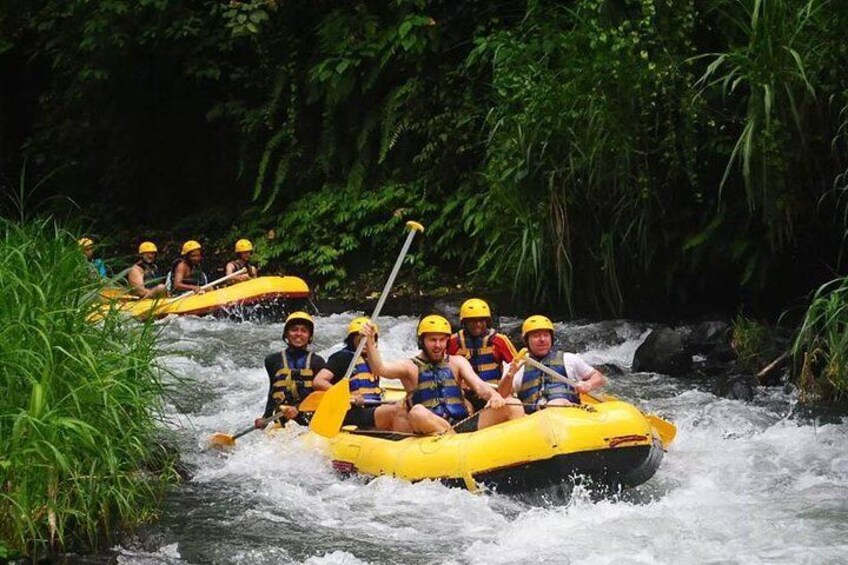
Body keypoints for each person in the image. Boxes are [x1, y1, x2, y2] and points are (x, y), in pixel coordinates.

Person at [362, 315, 523, 435]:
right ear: (422, 341)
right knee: (417, 411)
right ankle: (454, 443)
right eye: (432, 340)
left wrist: (493, 395)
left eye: (442, 340)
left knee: (512, 403)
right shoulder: (409, 367)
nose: (438, 345)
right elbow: (380, 369)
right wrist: (369, 342)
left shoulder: (457, 362)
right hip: (430, 429)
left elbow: (480, 386)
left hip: (462, 423)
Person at [313, 317, 411, 432]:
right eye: (361, 340)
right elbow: (319, 381)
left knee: (404, 407)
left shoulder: (372, 360)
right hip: (350, 411)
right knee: (394, 411)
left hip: (370, 408)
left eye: (369, 340)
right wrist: (348, 396)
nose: (365, 344)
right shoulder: (342, 358)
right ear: (352, 340)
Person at [500, 315, 606, 413]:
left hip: (566, 413)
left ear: (551, 338)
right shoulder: (516, 366)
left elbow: (599, 378)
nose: (542, 339)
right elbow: (502, 395)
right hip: (532, 419)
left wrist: (588, 384)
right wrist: (510, 376)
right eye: (536, 336)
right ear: (527, 340)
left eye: (546, 335)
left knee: (556, 404)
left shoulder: (569, 359)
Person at [255, 311, 326, 428]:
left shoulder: (317, 361)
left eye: (304, 330)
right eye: (294, 329)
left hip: (307, 419)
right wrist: (265, 417)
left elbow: (322, 396)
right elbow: (273, 391)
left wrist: (297, 409)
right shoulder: (272, 360)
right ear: (286, 334)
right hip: (281, 418)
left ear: (309, 336)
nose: (299, 334)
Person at [447, 298, 518, 411]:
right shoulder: (453, 341)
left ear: (487, 321)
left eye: (481, 321)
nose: (478, 324)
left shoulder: (499, 340)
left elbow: (516, 365)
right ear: (464, 322)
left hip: (494, 393)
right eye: (473, 321)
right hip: (465, 396)